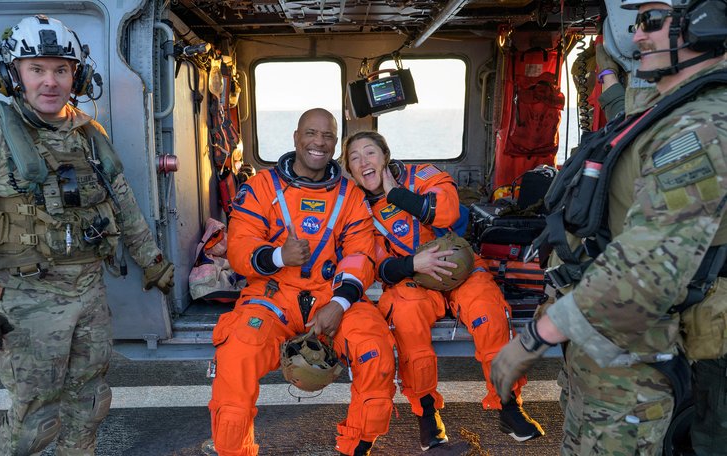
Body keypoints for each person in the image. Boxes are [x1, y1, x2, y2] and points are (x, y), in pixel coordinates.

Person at [491, 0, 727, 454]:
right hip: (603, 344)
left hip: (635, 348)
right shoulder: (666, 108)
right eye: (636, 23)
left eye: (652, 22)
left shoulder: (703, 126)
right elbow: (623, 112)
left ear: (706, 23)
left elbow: (647, 267)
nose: (637, 36)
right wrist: (605, 76)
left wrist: (534, 338)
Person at [0, 15, 174, 455]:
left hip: (88, 293)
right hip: (28, 298)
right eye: (36, 69)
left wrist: (153, 261)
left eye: (61, 70)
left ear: (76, 75)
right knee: (36, 416)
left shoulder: (88, 134)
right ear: (13, 75)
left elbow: (123, 203)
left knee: (90, 403)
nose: (51, 81)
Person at [208, 108, 396, 456]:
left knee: (376, 351)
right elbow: (239, 246)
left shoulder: (350, 195)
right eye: (311, 133)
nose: (319, 143)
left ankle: (358, 446)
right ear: (296, 138)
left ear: (335, 143)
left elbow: (360, 255)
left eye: (328, 136)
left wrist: (339, 304)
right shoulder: (262, 188)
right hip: (273, 296)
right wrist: (279, 256)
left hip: (332, 296)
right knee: (237, 355)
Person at [342, 131, 545, 448]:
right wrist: (414, 264)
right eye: (355, 158)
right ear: (351, 171)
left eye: (370, 152)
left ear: (385, 155)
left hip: (458, 264)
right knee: (406, 314)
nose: (364, 162)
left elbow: (448, 212)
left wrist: (396, 194)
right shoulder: (358, 209)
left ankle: (508, 405)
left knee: (488, 310)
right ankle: (426, 414)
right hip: (412, 277)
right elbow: (376, 265)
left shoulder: (421, 176)